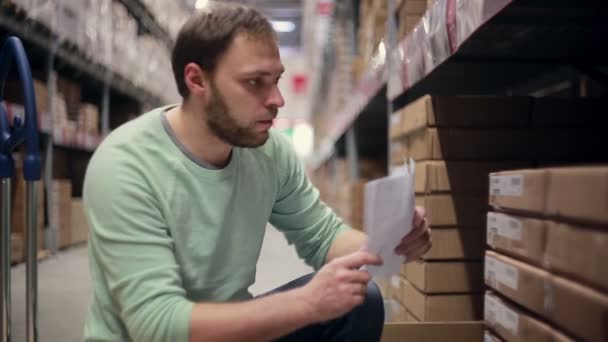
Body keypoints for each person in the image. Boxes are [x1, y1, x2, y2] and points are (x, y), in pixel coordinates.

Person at [82, 3, 431, 342]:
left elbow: (322, 236)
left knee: (359, 303)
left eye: (276, 80)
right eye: (254, 83)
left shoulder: (268, 150)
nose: (277, 99)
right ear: (196, 80)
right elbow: (157, 325)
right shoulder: (126, 165)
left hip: (231, 331)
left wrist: (388, 245)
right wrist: (306, 304)